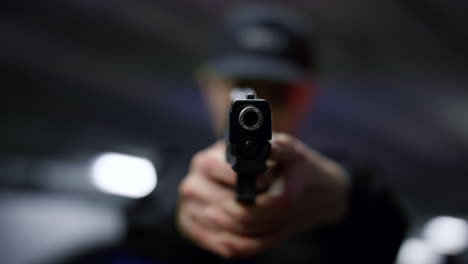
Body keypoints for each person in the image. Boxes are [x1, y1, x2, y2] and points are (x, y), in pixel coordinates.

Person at [174, 5, 407, 264]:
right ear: (209, 86)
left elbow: (385, 220)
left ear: (304, 95)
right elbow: (141, 232)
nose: (257, 106)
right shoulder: (173, 174)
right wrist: (181, 217)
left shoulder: (336, 180)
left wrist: (339, 194)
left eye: (276, 92)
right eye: (241, 88)